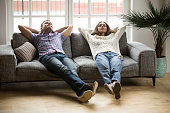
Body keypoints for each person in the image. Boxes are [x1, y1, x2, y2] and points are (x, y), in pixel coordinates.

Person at [18, 20, 98, 102]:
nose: (49, 24)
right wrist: (39, 31)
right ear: (41, 27)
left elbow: (70, 27)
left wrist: (53, 31)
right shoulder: (36, 37)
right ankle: (85, 86)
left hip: (63, 56)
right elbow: (20, 26)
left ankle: (81, 93)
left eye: (51, 23)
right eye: (46, 23)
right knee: (62, 68)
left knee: (73, 70)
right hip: (47, 56)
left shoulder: (59, 35)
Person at [78, 21, 126, 99]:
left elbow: (123, 28)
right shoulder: (91, 37)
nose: (102, 26)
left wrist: (111, 30)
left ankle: (114, 84)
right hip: (100, 54)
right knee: (105, 69)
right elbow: (80, 29)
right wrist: (94, 31)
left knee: (115, 68)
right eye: (100, 25)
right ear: (97, 28)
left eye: (104, 25)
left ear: (107, 28)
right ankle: (111, 86)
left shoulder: (113, 36)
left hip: (114, 54)